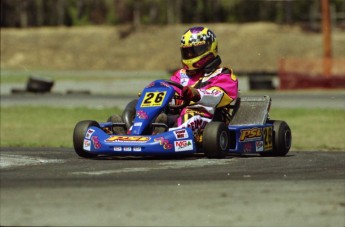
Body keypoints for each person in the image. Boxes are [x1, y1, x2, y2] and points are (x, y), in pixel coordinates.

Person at [166, 26, 238, 137]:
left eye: (194, 51)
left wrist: (197, 94)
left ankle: (168, 137)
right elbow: (171, 93)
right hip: (178, 115)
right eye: (187, 52)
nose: (190, 55)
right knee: (156, 114)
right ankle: (144, 132)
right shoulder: (180, 75)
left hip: (208, 118)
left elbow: (218, 96)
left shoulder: (222, 74)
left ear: (210, 49)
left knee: (190, 117)